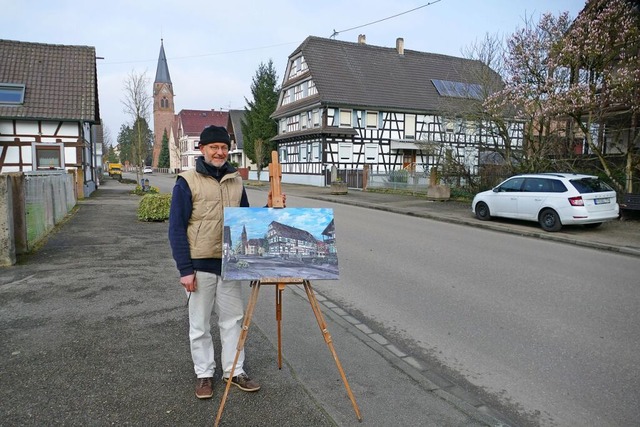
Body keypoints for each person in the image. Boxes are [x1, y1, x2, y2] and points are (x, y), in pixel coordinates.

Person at [168, 125, 279, 399]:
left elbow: (245, 223)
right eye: (214, 147)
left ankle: (234, 370)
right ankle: (204, 375)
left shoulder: (235, 180)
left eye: (224, 147)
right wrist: (185, 269)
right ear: (203, 149)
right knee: (200, 325)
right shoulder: (187, 181)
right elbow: (176, 228)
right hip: (199, 265)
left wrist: (268, 209)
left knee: (232, 322)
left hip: (231, 264)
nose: (220, 152)